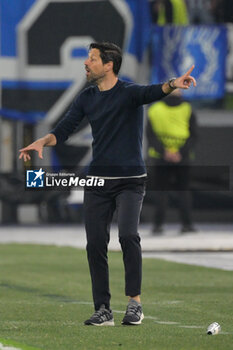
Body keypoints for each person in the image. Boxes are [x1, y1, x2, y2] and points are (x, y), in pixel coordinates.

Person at [19, 42, 196, 326]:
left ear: (108, 64)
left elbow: (154, 90)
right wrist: (43, 140)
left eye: (91, 59)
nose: (86, 64)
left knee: (128, 236)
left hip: (130, 182)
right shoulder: (86, 97)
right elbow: (63, 130)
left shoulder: (129, 93)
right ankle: (103, 309)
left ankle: (134, 304)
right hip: (98, 182)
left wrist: (175, 82)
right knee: (95, 244)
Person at [147, 89, 198, 234]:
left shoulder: (155, 109)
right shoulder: (187, 108)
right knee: (184, 192)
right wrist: (180, 153)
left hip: (160, 157)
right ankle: (187, 225)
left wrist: (164, 152)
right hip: (183, 158)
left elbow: (150, 136)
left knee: (161, 192)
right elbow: (194, 135)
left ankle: (158, 225)